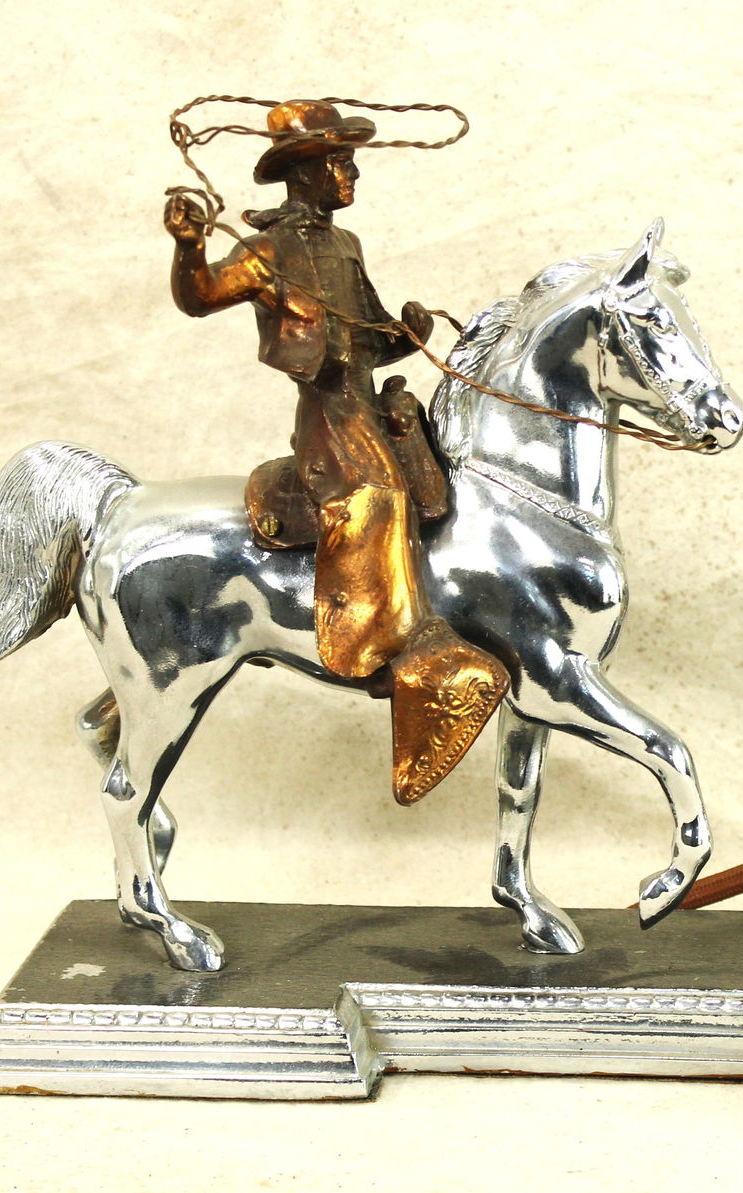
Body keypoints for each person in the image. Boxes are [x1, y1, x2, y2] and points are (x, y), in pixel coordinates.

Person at [162, 98, 507, 805]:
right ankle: (392, 656)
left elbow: (368, 336)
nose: (351, 174)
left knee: (437, 480)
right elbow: (200, 296)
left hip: (364, 401)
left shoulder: (344, 245)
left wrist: (407, 334)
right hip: (328, 416)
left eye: (350, 163)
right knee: (377, 494)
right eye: (341, 163)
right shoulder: (266, 251)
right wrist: (190, 244)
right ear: (307, 172)